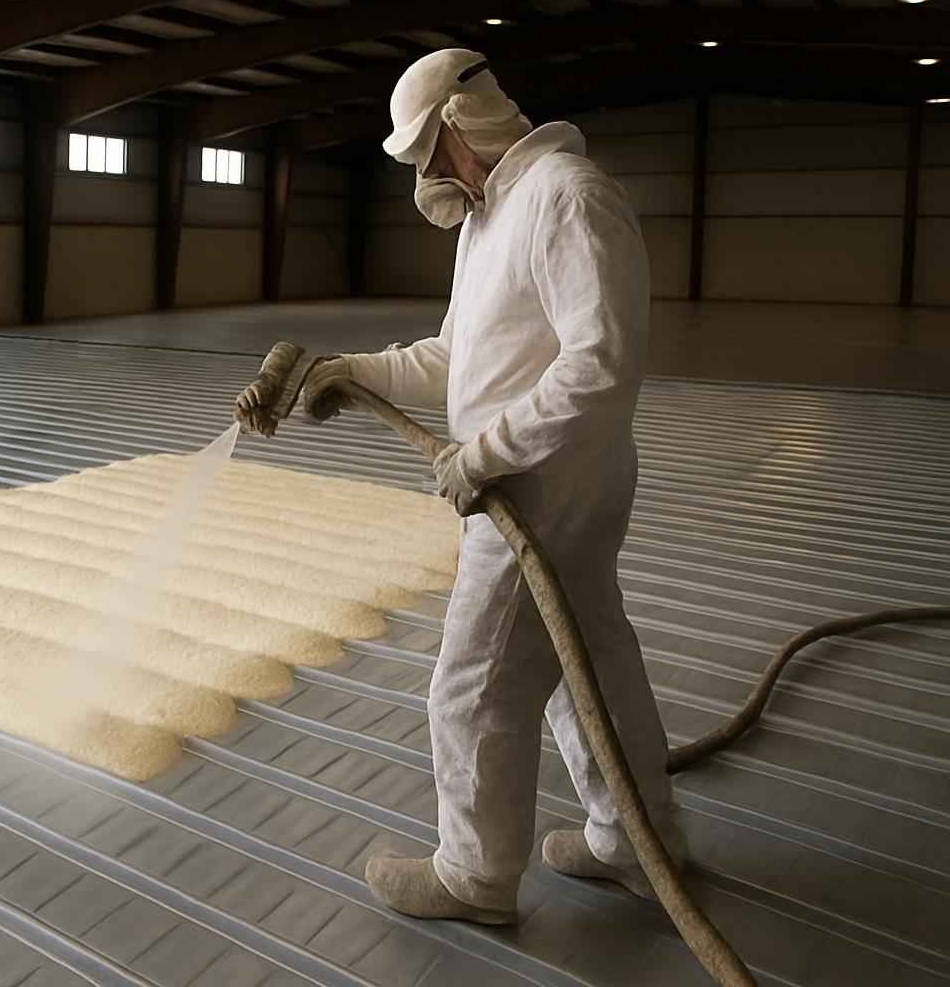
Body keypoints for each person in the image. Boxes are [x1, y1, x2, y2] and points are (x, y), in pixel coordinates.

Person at [249, 48, 687, 924]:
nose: (428, 177)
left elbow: (599, 364)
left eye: (428, 155)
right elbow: (459, 356)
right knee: (587, 661)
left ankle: (475, 878)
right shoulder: (496, 216)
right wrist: (352, 371)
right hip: (542, 480)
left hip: (542, 488)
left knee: (473, 683)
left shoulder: (567, 195)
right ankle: (639, 843)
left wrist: (483, 456)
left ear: (460, 122)